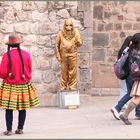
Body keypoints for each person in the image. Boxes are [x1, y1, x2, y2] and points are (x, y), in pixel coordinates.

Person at [0, 34, 39, 135]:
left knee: (9, 108)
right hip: (23, 85)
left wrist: (8, 75)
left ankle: (9, 130)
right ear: (19, 44)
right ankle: (20, 129)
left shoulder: (6, 56)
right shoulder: (26, 54)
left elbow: (2, 73)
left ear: (10, 44)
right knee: (22, 107)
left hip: (10, 86)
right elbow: (29, 71)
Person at [111, 35, 140, 120]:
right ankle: (117, 108)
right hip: (135, 76)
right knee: (132, 94)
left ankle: (138, 113)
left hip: (129, 75)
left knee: (135, 94)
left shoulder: (130, 50)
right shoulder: (137, 52)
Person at [55, 18, 83, 91]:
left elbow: (80, 43)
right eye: (67, 26)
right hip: (63, 56)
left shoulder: (76, 32)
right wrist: (58, 55)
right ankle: (63, 86)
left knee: (73, 71)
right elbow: (56, 45)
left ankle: (72, 86)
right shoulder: (60, 33)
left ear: (72, 26)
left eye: (70, 26)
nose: (68, 28)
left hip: (73, 55)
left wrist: (78, 40)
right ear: (64, 26)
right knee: (63, 71)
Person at [120, 33, 140, 125]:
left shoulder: (131, 50)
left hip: (134, 76)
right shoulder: (138, 52)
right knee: (137, 98)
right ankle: (125, 114)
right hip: (138, 77)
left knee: (137, 97)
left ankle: (125, 114)